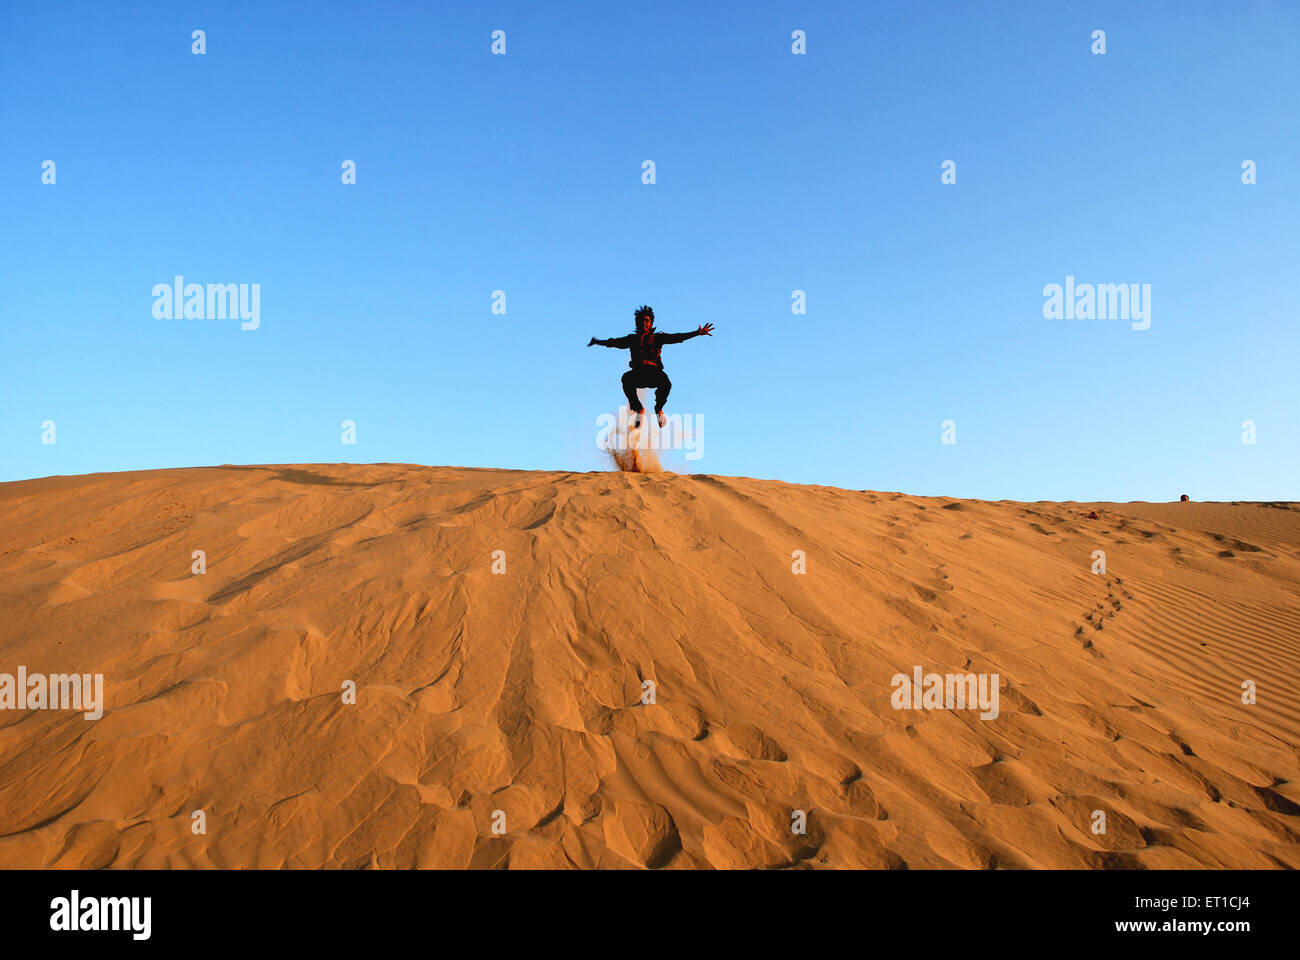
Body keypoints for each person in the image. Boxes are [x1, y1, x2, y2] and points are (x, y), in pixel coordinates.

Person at [587, 305, 714, 427]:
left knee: (666, 383)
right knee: (626, 378)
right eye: (641, 321)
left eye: (646, 321)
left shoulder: (657, 337)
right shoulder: (632, 339)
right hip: (639, 373)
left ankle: (658, 409)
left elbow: (677, 337)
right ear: (637, 323)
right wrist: (597, 341)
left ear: (651, 324)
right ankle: (638, 408)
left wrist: (697, 333)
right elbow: (613, 342)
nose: (644, 323)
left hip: (654, 372)